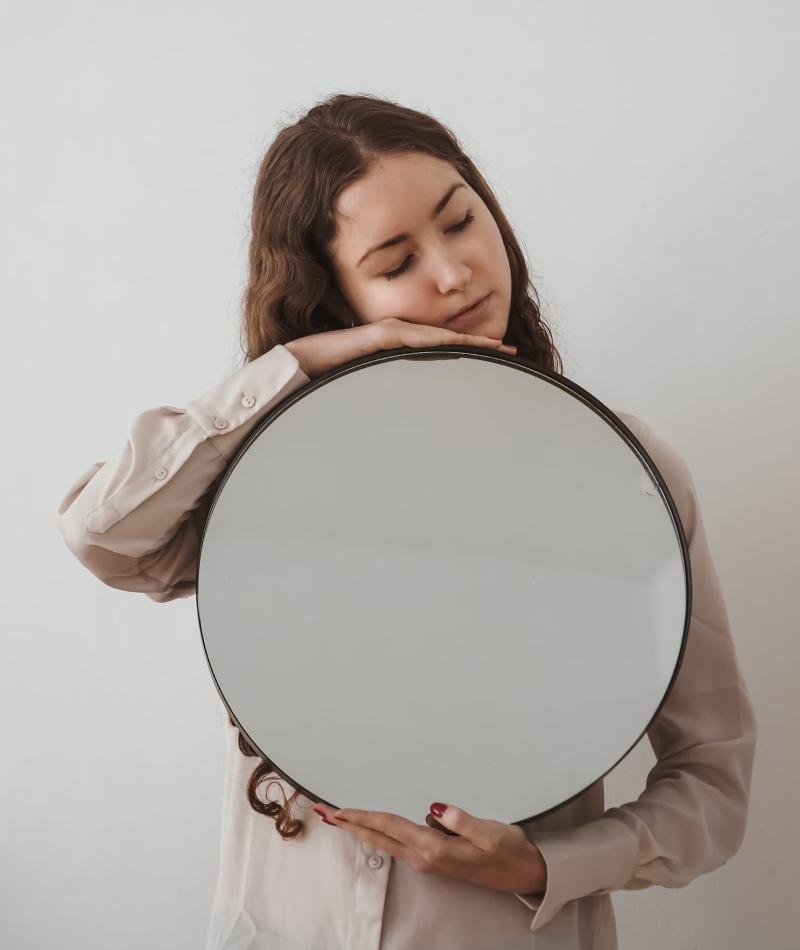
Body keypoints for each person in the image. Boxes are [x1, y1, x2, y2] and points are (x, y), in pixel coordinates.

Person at [56, 93, 757, 950]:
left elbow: (714, 791)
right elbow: (101, 533)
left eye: (461, 222)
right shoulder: (267, 470)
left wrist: (542, 865)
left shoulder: (630, 478)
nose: (455, 274)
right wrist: (301, 363)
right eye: (395, 263)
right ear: (336, 295)